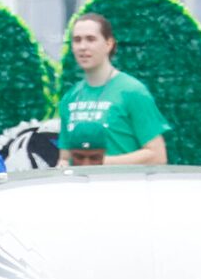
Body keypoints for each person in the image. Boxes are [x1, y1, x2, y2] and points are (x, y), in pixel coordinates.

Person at [59, 11, 169, 166]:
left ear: (109, 44)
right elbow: (64, 158)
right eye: (77, 40)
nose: (82, 47)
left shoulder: (132, 91)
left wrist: (100, 164)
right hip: (82, 189)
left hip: (122, 187)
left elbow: (157, 156)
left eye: (91, 39)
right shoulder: (70, 98)